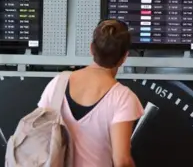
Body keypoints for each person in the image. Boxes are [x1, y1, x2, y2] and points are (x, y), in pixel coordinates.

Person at [37, 19, 144, 167]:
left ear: (91, 49)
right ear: (124, 57)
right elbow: (122, 160)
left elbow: (38, 133)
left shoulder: (58, 82)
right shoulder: (123, 98)